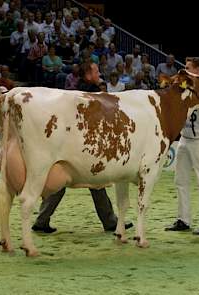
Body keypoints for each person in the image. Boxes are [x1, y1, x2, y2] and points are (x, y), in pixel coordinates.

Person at [32, 61, 133, 233]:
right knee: (97, 183)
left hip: (71, 142)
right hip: (85, 145)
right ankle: (109, 221)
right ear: (88, 74)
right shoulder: (91, 93)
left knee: (61, 182)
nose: (98, 72)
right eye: (95, 70)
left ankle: (42, 220)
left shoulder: (77, 90)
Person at [165, 57, 199, 235]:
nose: (185, 70)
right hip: (184, 138)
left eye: (188, 68)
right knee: (180, 181)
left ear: (198, 71)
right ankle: (183, 219)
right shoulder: (185, 89)